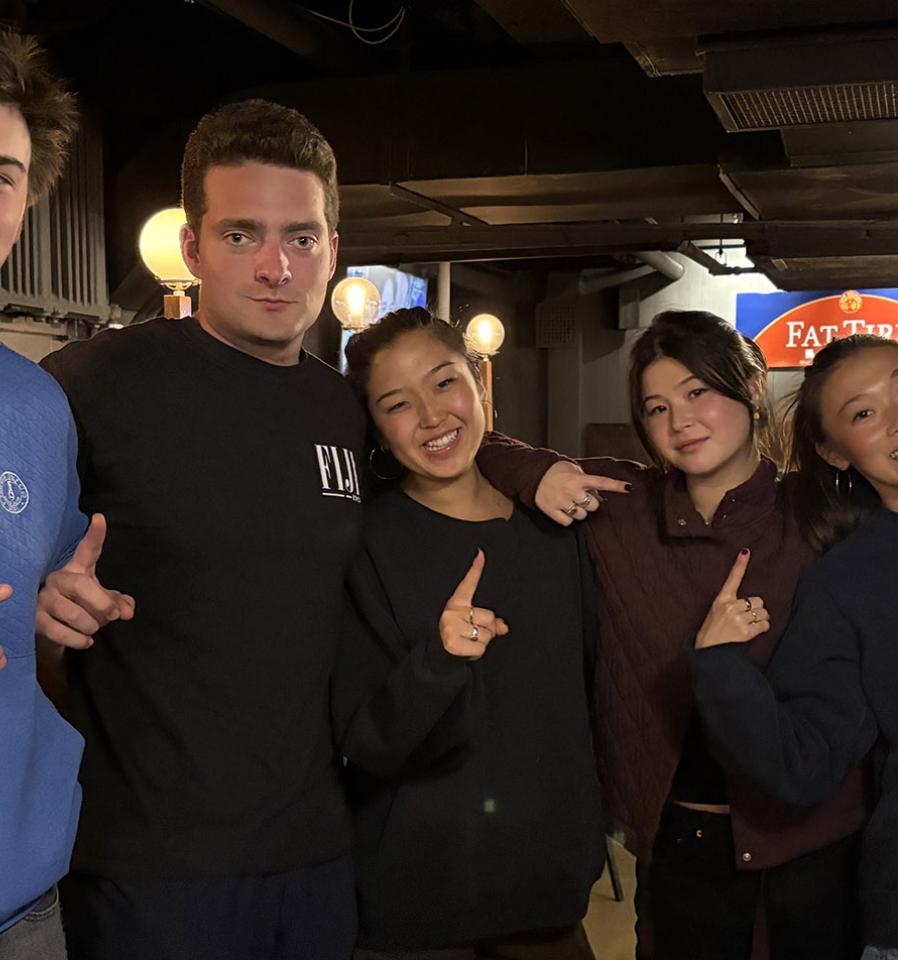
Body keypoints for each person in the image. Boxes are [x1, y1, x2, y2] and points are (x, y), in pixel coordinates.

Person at [35, 99, 365, 960]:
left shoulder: (347, 407)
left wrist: (530, 465)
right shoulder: (91, 383)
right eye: (239, 235)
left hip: (316, 856)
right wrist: (39, 596)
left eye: (301, 238)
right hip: (151, 869)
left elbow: (457, 450)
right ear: (191, 248)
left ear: (332, 249)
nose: (274, 267)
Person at [476, 310, 864, 960]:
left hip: (813, 844)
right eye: (656, 408)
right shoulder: (621, 504)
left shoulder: (817, 510)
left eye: (697, 393)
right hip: (681, 845)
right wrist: (538, 473)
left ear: (753, 386)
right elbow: (482, 446)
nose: (679, 421)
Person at [334, 307, 605, 959]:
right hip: (417, 912)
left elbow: (590, 698)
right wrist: (439, 660)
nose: (431, 417)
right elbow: (363, 745)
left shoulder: (557, 528)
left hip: (548, 901)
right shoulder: (366, 544)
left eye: (444, 382)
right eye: (397, 403)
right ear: (374, 426)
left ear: (481, 383)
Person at [692, 333, 898, 958]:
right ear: (833, 453)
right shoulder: (848, 583)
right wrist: (718, 665)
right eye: (863, 414)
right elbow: (802, 762)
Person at [0, 28, 88, 960]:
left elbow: (46, 606)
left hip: (23, 902)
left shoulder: (36, 403)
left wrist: (64, 608)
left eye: (3, 174)